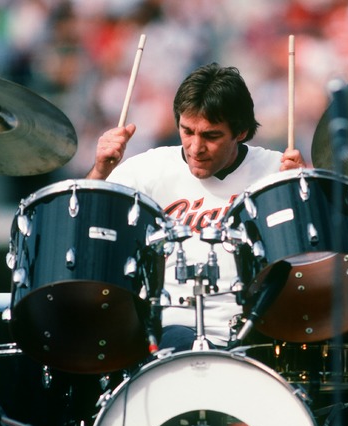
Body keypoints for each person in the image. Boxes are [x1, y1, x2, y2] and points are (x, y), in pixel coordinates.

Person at [87, 62, 305, 352]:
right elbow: (85, 219)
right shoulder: (148, 168)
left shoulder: (277, 171)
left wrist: (303, 189)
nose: (195, 147)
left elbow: (312, 257)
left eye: (211, 136)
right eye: (187, 131)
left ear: (240, 133)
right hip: (170, 330)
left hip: (259, 327)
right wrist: (100, 171)